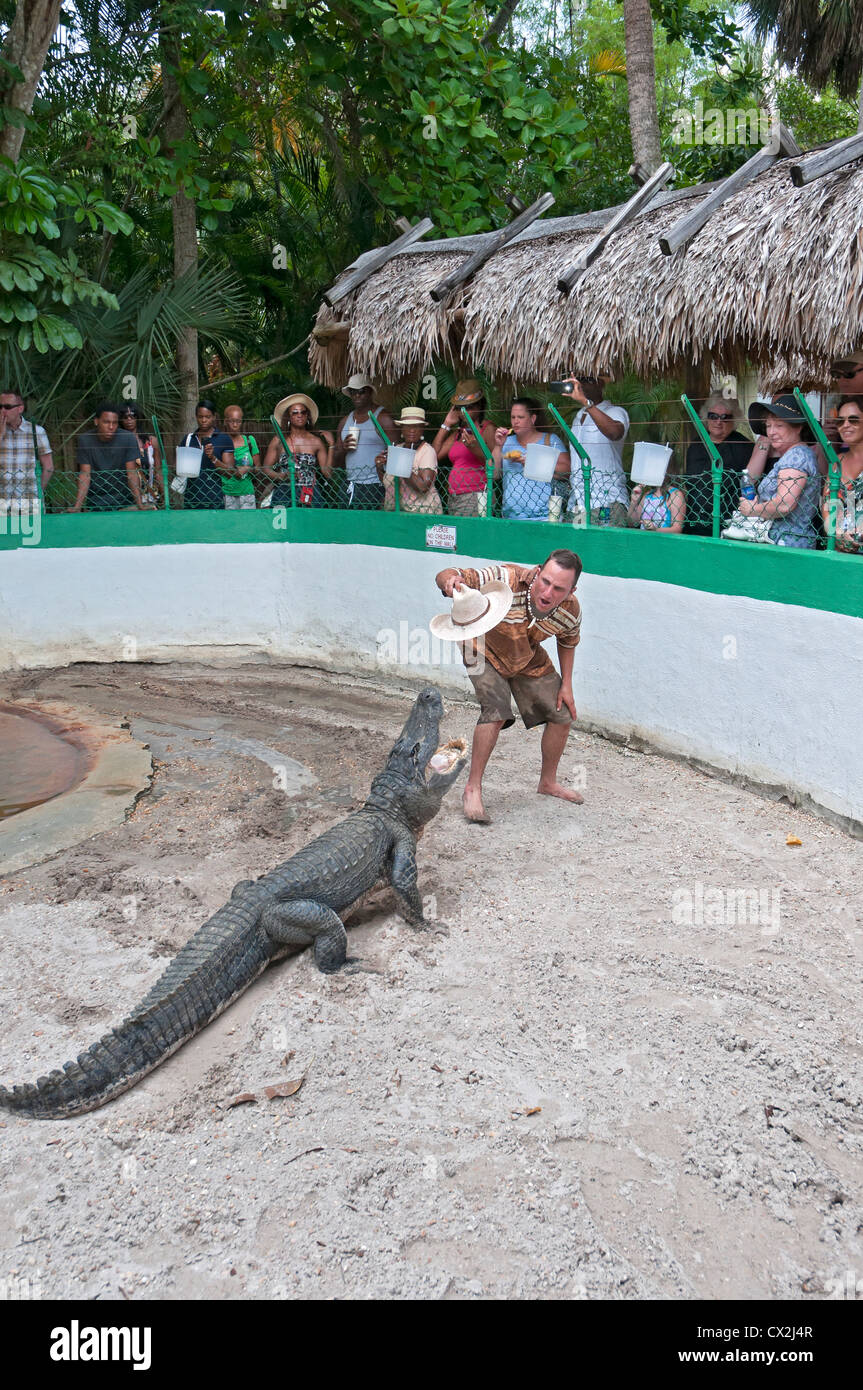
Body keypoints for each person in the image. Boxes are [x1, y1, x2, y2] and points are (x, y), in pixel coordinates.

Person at [433, 550, 583, 823]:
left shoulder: (570, 610)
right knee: (497, 711)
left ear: (571, 591)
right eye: (545, 581)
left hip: (524, 654)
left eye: (558, 588)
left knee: (563, 714)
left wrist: (567, 685)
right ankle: (472, 789)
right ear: (538, 572)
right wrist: (450, 580)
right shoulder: (505, 577)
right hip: (481, 649)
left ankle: (547, 782)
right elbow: (449, 573)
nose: (548, 592)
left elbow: (568, 640)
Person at [736, 395, 821, 547]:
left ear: (798, 427)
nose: (771, 432)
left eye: (779, 425)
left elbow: (784, 504)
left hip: (787, 544)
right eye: (768, 426)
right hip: (785, 542)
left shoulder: (796, 456)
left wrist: (753, 510)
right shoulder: (796, 454)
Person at [560, 374, 629, 527]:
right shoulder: (578, 417)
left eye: (588, 380)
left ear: (601, 385)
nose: (582, 384)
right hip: (578, 502)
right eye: (579, 380)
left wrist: (587, 403)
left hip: (607, 502)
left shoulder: (616, 412)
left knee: (606, 546)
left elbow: (615, 433)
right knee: (578, 547)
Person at [684, 394, 752, 536]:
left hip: (729, 523)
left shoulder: (743, 446)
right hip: (694, 519)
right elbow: (690, 482)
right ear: (706, 417)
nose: (718, 422)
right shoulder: (696, 445)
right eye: (713, 416)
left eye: (724, 417)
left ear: (733, 420)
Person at [492, 398, 568, 521]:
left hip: (546, 517)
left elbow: (567, 471)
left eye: (520, 417)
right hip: (511, 517)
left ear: (533, 419)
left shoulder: (550, 440)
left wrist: (534, 462)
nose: (515, 421)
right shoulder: (506, 442)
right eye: (513, 417)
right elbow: (493, 474)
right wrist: (498, 445)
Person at [433, 379, 496, 516]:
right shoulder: (458, 433)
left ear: (479, 407)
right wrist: (446, 424)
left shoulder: (487, 429)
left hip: (476, 495)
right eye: (459, 408)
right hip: (454, 496)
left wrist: (474, 447)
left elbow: (493, 463)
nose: (463, 412)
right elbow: (434, 455)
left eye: (469, 407)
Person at [69, 402, 148, 512]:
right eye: (106, 422)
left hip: (125, 501)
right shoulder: (85, 440)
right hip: (96, 501)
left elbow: (132, 473)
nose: (111, 427)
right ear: (96, 421)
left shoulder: (128, 438)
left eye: (114, 423)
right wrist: (77, 506)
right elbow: (85, 474)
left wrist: (140, 504)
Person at [332, 375, 395, 510]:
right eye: (353, 392)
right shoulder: (345, 421)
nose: (357, 396)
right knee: (348, 526)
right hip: (350, 484)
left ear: (370, 392)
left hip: (375, 484)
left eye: (361, 391)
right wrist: (343, 449)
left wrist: (389, 490)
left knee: (371, 528)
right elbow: (335, 464)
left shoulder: (383, 418)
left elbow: (397, 453)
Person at [261, 394, 329, 508]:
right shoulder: (278, 440)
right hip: (284, 491)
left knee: (311, 524)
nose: (300, 415)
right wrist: (281, 476)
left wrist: (332, 446)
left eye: (303, 412)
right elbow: (266, 468)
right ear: (289, 417)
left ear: (307, 416)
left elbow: (328, 472)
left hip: (310, 491)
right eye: (295, 413)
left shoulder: (316, 441)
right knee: (284, 525)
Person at [376, 406, 443, 513]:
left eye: (416, 426)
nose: (412, 430)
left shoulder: (427, 451)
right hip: (397, 512)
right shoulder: (397, 449)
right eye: (407, 426)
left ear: (422, 429)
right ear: (401, 428)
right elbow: (388, 482)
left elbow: (423, 486)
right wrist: (379, 467)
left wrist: (401, 466)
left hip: (422, 512)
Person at [0, 388, 53, 511]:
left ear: (20, 409)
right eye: (0, 406)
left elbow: (49, 467)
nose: (3, 411)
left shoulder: (36, 431)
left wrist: (37, 491)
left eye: (7, 407)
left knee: (33, 530)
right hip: (2, 503)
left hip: (29, 503)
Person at [822, 395, 863, 553]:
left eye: (853, 420)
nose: (845, 425)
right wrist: (836, 533)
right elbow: (827, 504)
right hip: (841, 549)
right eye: (840, 421)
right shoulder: (837, 461)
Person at [181, 400, 234, 510]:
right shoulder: (188, 439)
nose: (204, 420)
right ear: (196, 417)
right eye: (200, 417)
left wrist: (213, 458)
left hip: (214, 498)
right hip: (191, 499)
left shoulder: (223, 439)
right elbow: (178, 468)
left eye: (207, 417)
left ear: (214, 417)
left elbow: (230, 472)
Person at [118, 402, 162, 507]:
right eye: (125, 417)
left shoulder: (151, 441)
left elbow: (158, 470)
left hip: (149, 498)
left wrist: (165, 494)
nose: (129, 420)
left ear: (138, 418)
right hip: (122, 498)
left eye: (133, 416)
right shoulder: (117, 443)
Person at [221, 404, 259, 509]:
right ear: (225, 421)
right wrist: (232, 470)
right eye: (231, 421)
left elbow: (259, 469)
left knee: (248, 524)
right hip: (227, 494)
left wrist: (247, 469)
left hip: (247, 494)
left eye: (238, 421)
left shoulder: (249, 441)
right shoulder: (220, 442)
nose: (235, 424)